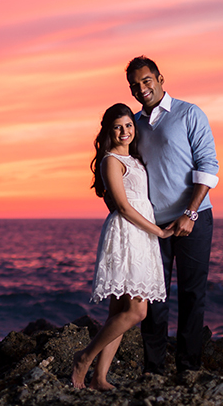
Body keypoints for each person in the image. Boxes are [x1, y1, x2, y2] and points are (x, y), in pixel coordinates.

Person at [125, 55, 219, 375]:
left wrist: (190, 214)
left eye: (147, 81)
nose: (142, 89)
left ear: (160, 79)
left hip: (194, 218)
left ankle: (188, 368)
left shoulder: (189, 113)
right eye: (135, 86)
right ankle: (154, 370)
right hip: (153, 225)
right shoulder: (135, 125)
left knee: (192, 295)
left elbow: (208, 167)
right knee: (154, 299)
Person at [71, 103, 173, 390]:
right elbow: (124, 208)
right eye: (118, 127)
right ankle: (84, 358)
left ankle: (99, 378)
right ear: (108, 130)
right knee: (137, 312)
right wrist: (159, 232)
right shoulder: (110, 160)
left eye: (129, 125)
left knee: (118, 313)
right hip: (128, 234)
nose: (125, 131)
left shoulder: (135, 160)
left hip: (141, 235)